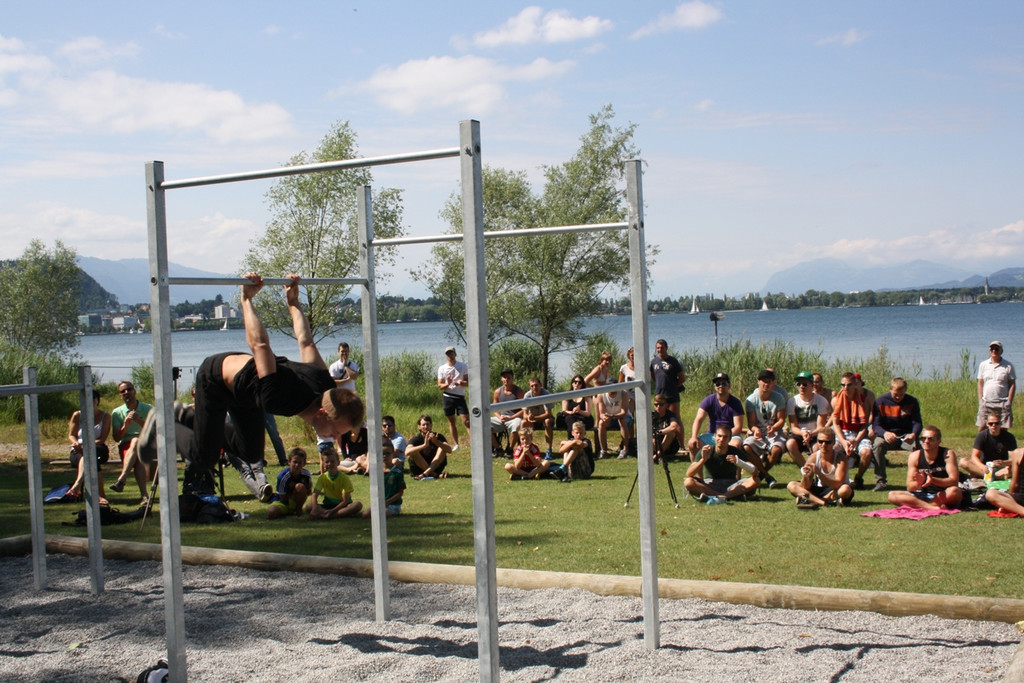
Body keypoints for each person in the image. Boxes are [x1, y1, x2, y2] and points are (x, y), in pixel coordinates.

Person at [173, 273, 364, 492]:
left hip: (246, 394)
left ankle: (193, 419)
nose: (335, 437)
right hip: (217, 378)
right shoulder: (279, 398)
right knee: (205, 457)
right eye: (335, 432)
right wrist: (246, 299)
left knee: (251, 453)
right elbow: (260, 345)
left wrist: (293, 302)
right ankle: (171, 421)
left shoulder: (327, 388)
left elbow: (306, 342)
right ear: (322, 413)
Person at [887, 426, 961, 510]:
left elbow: (954, 481)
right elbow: (910, 487)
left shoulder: (947, 454)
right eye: (923, 438)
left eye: (930, 439)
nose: (926, 441)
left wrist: (932, 480)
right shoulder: (915, 456)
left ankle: (925, 505)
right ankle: (932, 507)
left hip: (942, 493)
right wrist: (918, 483)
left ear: (938, 441)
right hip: (923, 494)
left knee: (955, 491)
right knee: (892, 495)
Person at [683, 424, 759, 504]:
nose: (722, 439)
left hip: (732, 485)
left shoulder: (735, 452)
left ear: (730, 439)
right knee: (688, 482)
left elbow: (756, 472)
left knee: (756, 480)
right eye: (719, 436)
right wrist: (703, 460)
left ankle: (718, 497)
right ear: (715, 436)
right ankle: (728, 496)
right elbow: (689, 473)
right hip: (710, 484)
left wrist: (739, 462)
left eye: (725, 437)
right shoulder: (706, 450)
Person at [871, 377, 922, 492]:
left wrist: (913, 434)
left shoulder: (912, 401)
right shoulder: (880, 401)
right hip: (887, 436)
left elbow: (917, 423)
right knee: (877, 445)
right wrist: (885, 433)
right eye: (895, 394)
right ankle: (880, 481)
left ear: (905, 391)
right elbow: (876, 425)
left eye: (901, 394)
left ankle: (919, 481)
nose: (898, 397)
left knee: (919, 449)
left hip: (905, 436)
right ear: (890, 389)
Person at [109, 381, 154, 505]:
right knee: (136, 449)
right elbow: (117, 438)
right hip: (127, 447)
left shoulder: (148, 408)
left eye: (129, 389)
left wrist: (139, 421)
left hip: (147, 443)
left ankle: (122, 479)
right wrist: (125, 425)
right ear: (120, 396)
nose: (126, 392)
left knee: (136, 441)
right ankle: (144, 496)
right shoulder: (117, 412)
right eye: (123, 391)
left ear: (134, 391)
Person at [787, 428, 853, 509]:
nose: (823, 445)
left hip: (836, 489)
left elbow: (838, 484)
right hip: (820, 489)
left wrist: (819, 473)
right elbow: (806, 486)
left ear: (834, 443)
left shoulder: (840, 458)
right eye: (820, 441)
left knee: (845, 489)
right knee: (791, 485)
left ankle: (810, 499)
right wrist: (806, 476)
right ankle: (823, 502)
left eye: (828, 442)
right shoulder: (813, 457)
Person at [741, 369, 787, 488]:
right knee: (746, 446)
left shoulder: (779, 398)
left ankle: (762, 474)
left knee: (776, 450)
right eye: (763, 381)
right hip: (759, 433)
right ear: (758, 382)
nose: (766, 384)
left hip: (774, 432)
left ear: (773, 383)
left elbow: (782, 420)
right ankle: (767, 476)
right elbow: (751, 423)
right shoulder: (751, 400)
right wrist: (756, 430)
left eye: (769, 381)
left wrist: (774, 428)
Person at [832, 371, 875, 490]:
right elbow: (836, 424)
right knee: (833, 450)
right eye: (843, 385)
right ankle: (837, 478)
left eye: (849, 384)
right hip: (842, 433)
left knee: (866, 452)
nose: (846, 387)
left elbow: (865, 425)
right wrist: (843, 441)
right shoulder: (836, 400)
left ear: (855, 385)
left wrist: (856, 441)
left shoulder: (863, 401)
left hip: (859, 433)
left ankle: (858, 478)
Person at [67, 389, 111, 501]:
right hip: (78, 449)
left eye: (92, 398)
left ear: (97, 400)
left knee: (90, 454)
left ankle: (78, 484)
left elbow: (102, 439)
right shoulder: (77, 415)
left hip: (98, 447)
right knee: (92, 461)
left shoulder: (105, 416)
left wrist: (86, 447)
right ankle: (100, 495)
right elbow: (71, 435)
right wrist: (75, 443)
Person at [687, 373, 744, 460]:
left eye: (724, 384)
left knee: (735, 445)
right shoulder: (708, 400)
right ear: (715, 386)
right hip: (712, 435)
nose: (721, 386)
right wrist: (694, 436)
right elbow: (698, 419)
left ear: (729, 386)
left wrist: (724, 436)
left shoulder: (736, 403)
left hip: (731, 435)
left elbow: (738, 427)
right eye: (718, 384)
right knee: (693, 444)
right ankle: (696, 468)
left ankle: (732, 468)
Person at [785, 371, 831, 469]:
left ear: (812, 385)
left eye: (805, 384)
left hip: (815, 433)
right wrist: (803, 433)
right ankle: (806, 469)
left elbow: (821, 427)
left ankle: (819, 472)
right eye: (799, 384)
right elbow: (794, 427)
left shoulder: (821, 401)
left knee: (817, 448)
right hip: (800, 433)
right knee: (790, 444)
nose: (801, 386)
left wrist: (811, 434)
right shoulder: (792, 401)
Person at [306, 446, 362, 519]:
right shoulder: (323, 477)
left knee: (357, 505)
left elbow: (345, 500)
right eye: (327, 462)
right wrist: (314, 508)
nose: (329, 464)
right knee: (309, 506)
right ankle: (328, 514)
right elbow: (314, 494)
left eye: (332, 461)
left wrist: (332, 511)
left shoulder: (344, 478)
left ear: (338, 462)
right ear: (323, 464)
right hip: (328, 505)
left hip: (342, 505)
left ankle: (331, 515)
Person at [960, 408, 1016, 480]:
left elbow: (1014, 459)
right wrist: (982, 467)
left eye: (996, 423)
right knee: (963, 462)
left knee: (1015, 467)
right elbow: (974, 456)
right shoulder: (981, 436)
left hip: (1001, 467)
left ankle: (983, 475)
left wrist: (1004, 463)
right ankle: (995, 476)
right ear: (987, 424)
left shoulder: (1009, 437)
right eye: (991, 423)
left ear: (1001, 423)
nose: (994, 425)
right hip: (985, 467)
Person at [362, 439, 406, 518]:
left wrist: (387, 502)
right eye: (382, 453)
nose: (384, 456)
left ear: (393, 454)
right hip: (379, 504)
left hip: (392, 505)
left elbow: (400, 492)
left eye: (387, 453)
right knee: (365, 514)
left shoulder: (397, 472)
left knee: (380, 515)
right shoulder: (377, 471)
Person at [436, 346, 470, 450]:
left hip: (460, 397)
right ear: (445, 356)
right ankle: (456, 445)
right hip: (448, 397)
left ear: (455, 354)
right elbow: (440, 386)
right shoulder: (442, 368)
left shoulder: (463, 366)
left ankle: (474, 443)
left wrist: (461, 382)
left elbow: (468, 382)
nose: (450, 356)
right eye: (448, 354)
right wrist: (448, 383)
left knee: (467, 421)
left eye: (451, 353)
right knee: (452, 421)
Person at [977, 341, 1015, 430]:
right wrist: (980, 399)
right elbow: (980, 383)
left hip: (1003, 402)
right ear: (989, 350)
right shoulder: (983, 365)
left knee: (1003, 429)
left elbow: (1012, 384)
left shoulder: (1008, 366)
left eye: (996, 349)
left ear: (1001, 351)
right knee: (982, 428)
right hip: (986, 402)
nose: (994, 350)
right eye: (992, 349)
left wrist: (1009, 401)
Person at [268, 447, 313, 520]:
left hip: (295, 501)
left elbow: (309, 490)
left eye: (300, 463)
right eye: (295, 462)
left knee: (300, 486)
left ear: (304, 464)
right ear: (289, 462)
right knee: (272, 512)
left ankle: (298, 510)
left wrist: (299, 494)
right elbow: (282, 496)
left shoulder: (306, 474)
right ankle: (288, 511)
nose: (297, 465)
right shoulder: (283, 476)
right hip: (282, 502)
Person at [490, 369, 524, 457]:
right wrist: (499, 417)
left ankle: (510, 448)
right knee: (484, 423)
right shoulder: (497, 392)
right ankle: (498, 448)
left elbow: (524, 410)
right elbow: (494, 408)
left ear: (512, 378)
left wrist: (511, 418)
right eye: (504, 377)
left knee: (517, 424)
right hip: (501, 418)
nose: (506, 379)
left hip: (514, 418)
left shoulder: (519, 391)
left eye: (509, 377)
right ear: (501, 379)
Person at [407, 414, 450, 480]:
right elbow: (407, 452)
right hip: (418, 470)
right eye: (423, 425)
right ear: (419, 427)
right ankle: (434, 475)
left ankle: (426, 473)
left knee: (442, 448)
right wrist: (424, 445)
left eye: (427, 424)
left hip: (435, 467)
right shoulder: (416, 439)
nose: (426, 427)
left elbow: (449, 450)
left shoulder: (438, 437)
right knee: (413, 452)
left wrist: (437, 442)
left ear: (431, 425)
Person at [984, 445, 1024, 516]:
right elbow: (1014, 483)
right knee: (991, 494)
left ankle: (1017, 509)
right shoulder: (1018, 453)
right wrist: (1010, 499)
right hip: (1020, 497)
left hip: (1020, 497)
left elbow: (1015, 484)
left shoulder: (1018, 453)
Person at [650, 339, 686, 417]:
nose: (660, 350)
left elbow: (682, 378)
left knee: (675, 417)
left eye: (662, 348)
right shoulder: (653, 362)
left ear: (666, 348)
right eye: (658, 348)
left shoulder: (673, 361)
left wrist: (673, 385)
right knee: (659, 417)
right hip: (659, 394)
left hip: (672, 394)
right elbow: (653, 376)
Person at [597, 385, 632, 459]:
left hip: (624, 417)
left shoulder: (623, 394)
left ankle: (625, 450)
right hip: (610, 418)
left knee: (622, 421)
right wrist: (604, 417)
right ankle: (603, 450)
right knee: (601, 423)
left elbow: (624, 412)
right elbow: (601, 413)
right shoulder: (601, 395)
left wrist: (614, 416)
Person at [523, 377, 555, 458]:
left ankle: (549, 450)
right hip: (533, 420)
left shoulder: (546, 394)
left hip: (545, 419)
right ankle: (525, 448)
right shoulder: (527, 395)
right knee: (523, 423)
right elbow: (524, 414)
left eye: (536, 385)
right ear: (530, 387)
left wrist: (535, 418)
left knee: (548, 421)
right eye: (532, 386)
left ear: (540, 385)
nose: (534, 387)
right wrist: (528, 417)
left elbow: (548, 413)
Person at [651, 394, 685, 460]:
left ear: (666, 405)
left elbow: (674, 427)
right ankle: (656, 455)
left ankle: (657, 456)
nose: (658, 407)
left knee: (671, 433)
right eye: (656, 405)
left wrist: (659, 432)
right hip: (656, 444)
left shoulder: (670, 415)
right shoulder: (651, 415)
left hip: (670, 447)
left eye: (661, 405)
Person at [618, 347, 637, 415]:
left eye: (635, 355)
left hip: (640, 395)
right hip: (629, 396)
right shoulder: (624, 368)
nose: (633, 357)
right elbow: (620, 383)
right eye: (632, 355)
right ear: (629, 355)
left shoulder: (641, 367)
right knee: (630, 416)